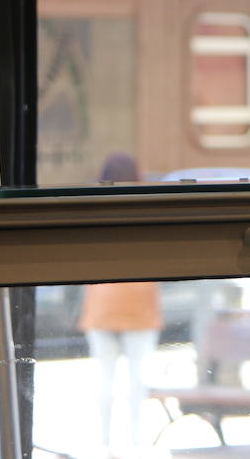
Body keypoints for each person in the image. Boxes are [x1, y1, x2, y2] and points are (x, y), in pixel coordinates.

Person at [78, 154, 162, 454]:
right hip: (140, 300)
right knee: (138, 378)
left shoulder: (93, 205)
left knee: (104, 378)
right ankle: (135, 440)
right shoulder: (147, 205)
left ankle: (103, 441)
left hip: (102, 301)